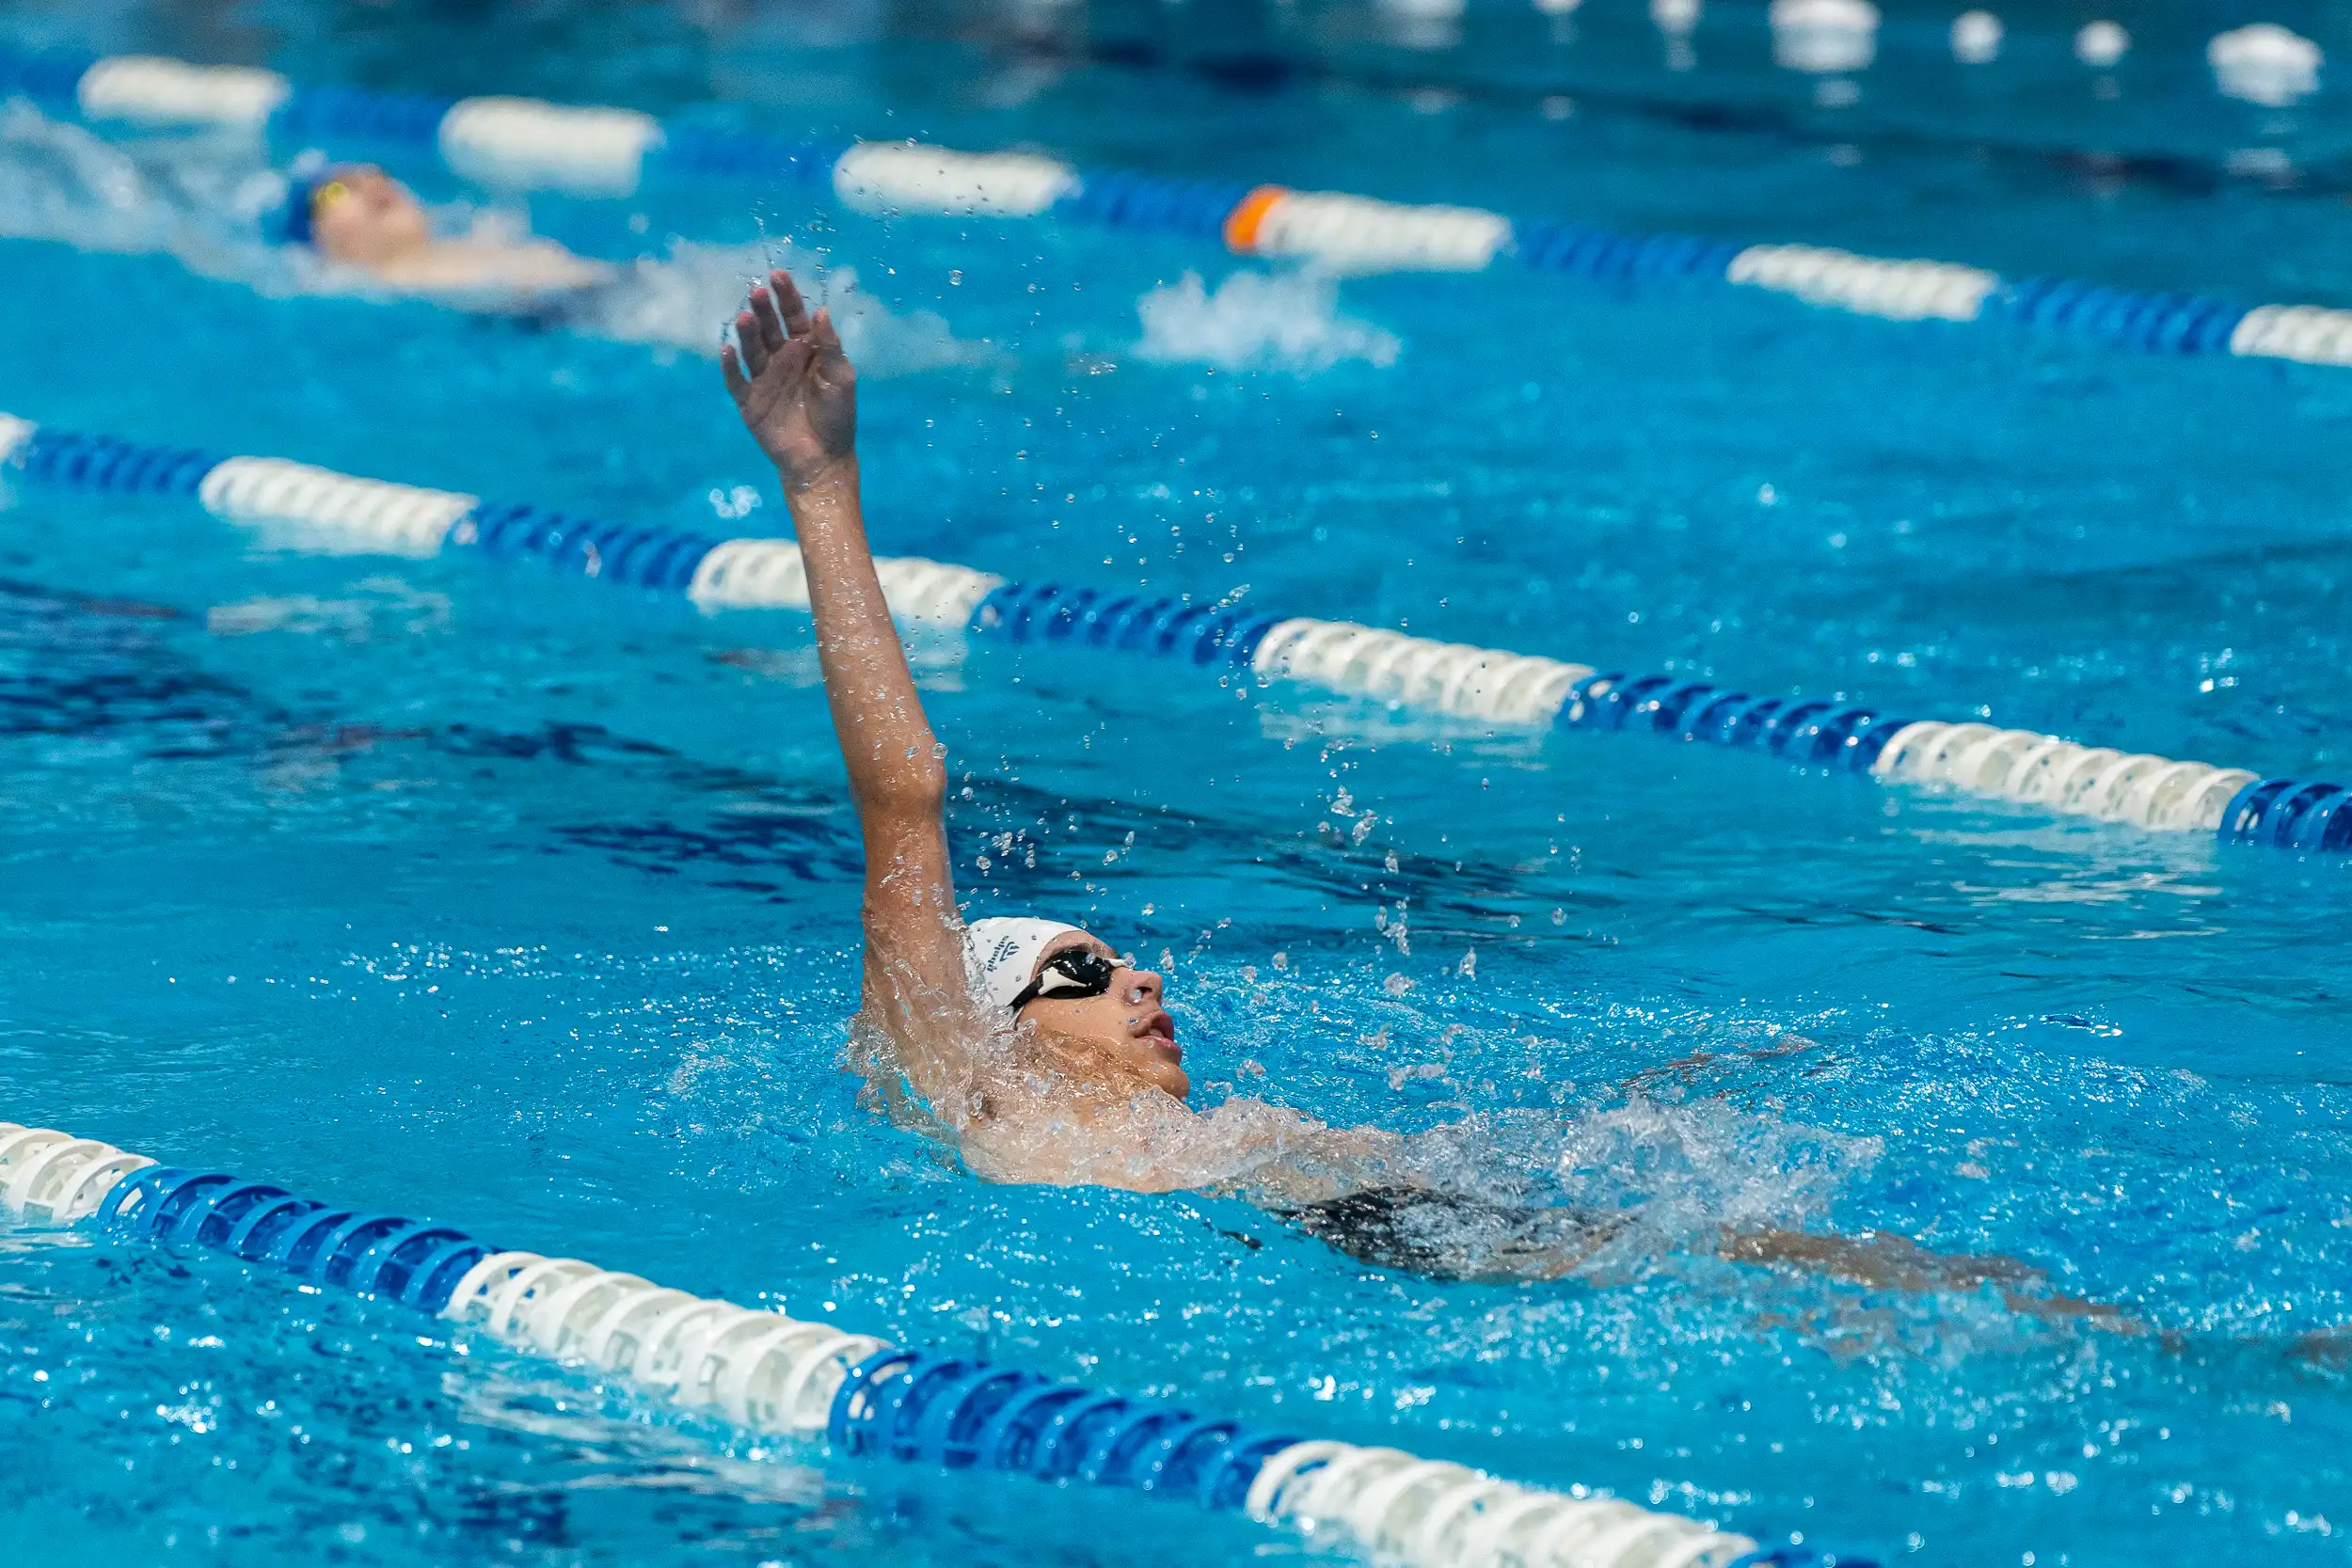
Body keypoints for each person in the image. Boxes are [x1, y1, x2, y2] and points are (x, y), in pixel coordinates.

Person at [720, 267, 2135, 1323]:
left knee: (1794, 1260)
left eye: (1123, 952)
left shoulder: (1210, 1125)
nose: (1144, 973)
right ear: (1000, 1025)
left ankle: (2106, 1327)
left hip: (1375, 1227)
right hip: (1354, 1243)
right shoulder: (970, 1088)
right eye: (1083, 968)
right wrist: (824, 484)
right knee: (1769, 1265)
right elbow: (906, 800)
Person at [278, 160, 608, 299]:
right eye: (334, 191)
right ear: (315, 238)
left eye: (379, 174)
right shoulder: (365, 289)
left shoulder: (480, 238)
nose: (370, 182)